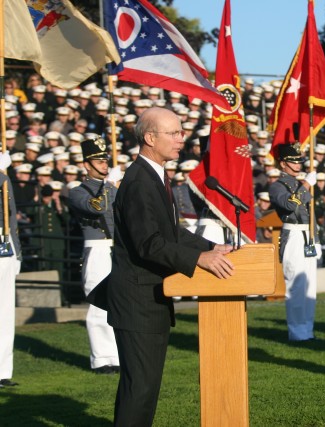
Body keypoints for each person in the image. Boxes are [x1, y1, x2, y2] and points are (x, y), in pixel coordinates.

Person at [105, 107, 235, 426]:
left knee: (144, 388)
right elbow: (149, 243)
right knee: (141, 388)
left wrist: (210, 247)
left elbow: (171, 231)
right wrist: (198, 260)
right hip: (138, 300)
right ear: (150, 138)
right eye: (174, 133)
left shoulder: (155, 176)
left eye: (181, 132)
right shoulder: (139, 181)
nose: (181, 139)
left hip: (150, 298)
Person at [68, 137, 122, 374]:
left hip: (117, 247)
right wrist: (108, 186)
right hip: (97, 249)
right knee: (99, 304)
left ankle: (117, 355)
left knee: (119, 302)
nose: (103, 164)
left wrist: (119, 187)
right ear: (86, 165)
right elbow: (95, 207)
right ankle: (101, 358)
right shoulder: (77, 191)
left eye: (105, 160)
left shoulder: (112, 187)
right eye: (98, 161)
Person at [269, 143, 321, 341]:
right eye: (293, 162)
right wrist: (307, 184)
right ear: (283, 164)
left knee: (309, 287)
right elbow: (290, 205)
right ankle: (297, 333)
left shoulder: (300, 184)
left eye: (299, 161)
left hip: (307, 236)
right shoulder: (277, 186)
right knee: (297, 286)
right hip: (293, 237)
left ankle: (307, 330)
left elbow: (311, 215)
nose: (298, 165)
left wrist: (315, 238)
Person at [0, 154, 21, 388]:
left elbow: (11, 214)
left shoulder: (4, 178)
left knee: (5, 312)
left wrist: (17, 250)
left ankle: (3, 370)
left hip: (4, 244)